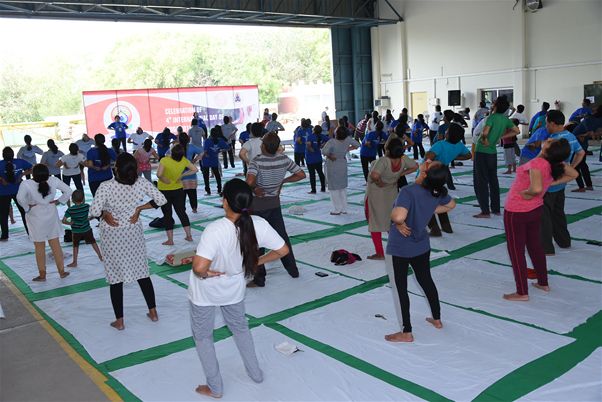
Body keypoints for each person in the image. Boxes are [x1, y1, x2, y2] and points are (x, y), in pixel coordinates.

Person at [189, 178, 289, 398]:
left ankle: (215, 387)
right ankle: (256, 374)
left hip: (205, 293)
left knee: (203, 337)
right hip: (234, 290)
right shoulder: (258, 224)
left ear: (224, 201)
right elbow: (283, 250)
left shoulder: (215, 229)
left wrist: (205, 273)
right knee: (240, 329)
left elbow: (199, 267)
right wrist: (256, 262)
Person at [89, 153, 167, 330]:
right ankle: (153, 312)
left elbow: (94, 211)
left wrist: (105, 213)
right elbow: (161, 200)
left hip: (112, 235)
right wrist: (139, 208)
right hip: (133, 233)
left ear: (116, 169)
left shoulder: (106, 186)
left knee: (115, 277)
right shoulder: (141, 183)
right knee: (142, 272)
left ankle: (120, 321)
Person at [385, 161, 456, 343]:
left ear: (425, 173)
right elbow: (451, 205)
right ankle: (437, 319)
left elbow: (398, 216)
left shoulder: (408, 191)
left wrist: (398, 222)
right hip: (421, 245)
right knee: (426, 280)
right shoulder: (437, 191)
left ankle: (407, 332)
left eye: (429, 163)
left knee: (401, 288)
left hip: (401, 246)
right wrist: (429, 210)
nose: (427, 161)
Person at [502, 138, 578, 302]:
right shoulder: (554, 163)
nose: (548, 139)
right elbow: (574, 174)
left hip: (517, 211)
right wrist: (549, 184)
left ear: (547, 150)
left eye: (550, 142)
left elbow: (536, 188)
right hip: (535, 209)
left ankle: (522, 292)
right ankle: (543, 282)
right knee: (535, 246)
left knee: (516, 251)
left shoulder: (537, 163)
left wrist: (528, 193)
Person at [246, 133, 305, 287]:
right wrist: (283, 181)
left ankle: (259, 279)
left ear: (264, 146)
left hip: (257, 206)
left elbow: (249, 182)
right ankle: (293, 270)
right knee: (282, 237)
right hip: (274, 204)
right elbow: (301, 174)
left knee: (256, 241)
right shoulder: (284, 159)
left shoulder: (256, 161)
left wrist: (255, 188)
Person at [540, 110, 585, 255]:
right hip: (562, 182)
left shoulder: (552, 141)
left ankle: (546, 248)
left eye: (547, 123)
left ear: (553, 123)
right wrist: (571, 167)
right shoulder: (570, 136)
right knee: (558, 213)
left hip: (549, 183)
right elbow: (581, 152)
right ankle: (564, 241)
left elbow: (542, 161)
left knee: (544, 216)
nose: (546, 126)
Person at [17, 164, 72, 281]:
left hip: (35, 216)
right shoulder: (53, 180)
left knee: (39, 246)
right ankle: (62, 271)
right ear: (47, 173)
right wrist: (59, 201)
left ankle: (42, 274)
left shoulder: (26, 184)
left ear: (33, 174)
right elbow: (68, 190)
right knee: (55, 244)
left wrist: (27, 207)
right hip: (51, 214)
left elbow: (20, 198)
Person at [364, 138, 418, 260]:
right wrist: (399, 175)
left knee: (375, 221)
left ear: (387, 150)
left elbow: (374, 175)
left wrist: (379, 182)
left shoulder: (383, 161)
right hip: (392, 192)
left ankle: (380, 253)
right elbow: (415, 166)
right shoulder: (403, 159)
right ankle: (398, 248)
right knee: (391, 220)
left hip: (376, 194)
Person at [473, 97, 520, 218]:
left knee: (481, 181)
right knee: (493, 180)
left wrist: (485, 140)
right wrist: (501, 137)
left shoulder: (491, 118)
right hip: (492, 153)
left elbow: (485, 133)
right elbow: (517, 131)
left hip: (482, 151)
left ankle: (485, 211)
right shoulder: (505, 119)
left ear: (496, 106)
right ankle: (496, 209)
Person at [424, 124, 472, 236]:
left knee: (425, 202)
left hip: (430, 174)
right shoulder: (459, 146)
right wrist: (453, 156)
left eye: (447, 131)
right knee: (438, 199)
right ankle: (446, 227)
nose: (445, 131)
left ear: (449, 134)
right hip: (442, 174)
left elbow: (428, 157)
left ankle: (434, 229)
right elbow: (468, 155)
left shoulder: (440, 144)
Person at [156, 144, 198, 245]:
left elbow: (159, 174)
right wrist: (182, 175)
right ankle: (189, 236)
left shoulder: (164, 160)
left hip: (164, 190)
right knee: (181, 212)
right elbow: (195, 169)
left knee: (167, 215)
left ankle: (170, 240)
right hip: (178, 189)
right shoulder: (183, 160)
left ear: (172, 152)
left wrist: (164, 179)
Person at [322, 127, 360, 215]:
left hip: (333, 164)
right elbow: (357, 145)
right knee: (342, 187)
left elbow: (324, 151)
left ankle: (337, 209)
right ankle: (344, 208)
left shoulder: (332, 142)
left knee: (334, 188)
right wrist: (347, 149)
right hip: (342, 163)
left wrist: (330, 155)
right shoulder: (347, 139)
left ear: (336, 133)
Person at [62, 189, 103, 267]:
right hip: (87, 229)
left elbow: (64, 221)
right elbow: (95, 213)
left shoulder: (70, 210)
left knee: (75, 246)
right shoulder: (86, 206)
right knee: (93, 242)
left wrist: (70, 223)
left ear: (72, 200)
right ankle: (100, 256)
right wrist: (90, 218)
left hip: (76, 231)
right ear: (83, 199)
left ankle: (75, 262)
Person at [0, 147, 32, 240]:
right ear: (13, 154)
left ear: (3, 155)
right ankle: (30, 232)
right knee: (24, 212)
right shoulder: (19, 162)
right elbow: (32, 168)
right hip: (13, 191)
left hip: (7, 192)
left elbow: (32, 168)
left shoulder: (17, 162)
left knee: (4, 214)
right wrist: (21, 175)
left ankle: (4, 235)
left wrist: (21, 174)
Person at [571, 107, 601, 191]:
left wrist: (582, 135)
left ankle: (581, 187)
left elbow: (590, 133)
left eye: (594, 109)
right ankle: (588, 185)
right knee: (582, 164)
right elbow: (595, 133)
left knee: (575, 165)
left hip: (577, 141)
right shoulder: (598, 120)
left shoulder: (589, 119)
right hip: (581, 142)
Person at [177, 133, 203, 213]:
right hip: (191, 172)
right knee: (192, 193)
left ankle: (182, 209)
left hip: (180, 174)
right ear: (188, 139)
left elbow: (167, 155)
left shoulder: (176, 147)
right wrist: (194, 160)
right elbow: (202, 151)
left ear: (179, 140)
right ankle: (194, 208)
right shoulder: (191, 147)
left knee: (181, 194)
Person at [201, 128, 230, 196]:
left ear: (210, 133)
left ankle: (208, 191)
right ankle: (219, 189)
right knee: (217, 175)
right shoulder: (220, 141)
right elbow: (228, 148)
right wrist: (220, 150)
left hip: (206, 160)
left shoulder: (207, 141)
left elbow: (205, 151)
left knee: (206, 176)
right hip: (214, 159)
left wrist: (203, 156)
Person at [305, 125, 329, 194]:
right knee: (320, 173)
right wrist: (322, 145)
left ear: (314, 130)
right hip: (318, 158)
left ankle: (313, 190)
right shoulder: (322, 136)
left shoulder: (310, 136)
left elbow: (308, 146)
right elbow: (330, 140)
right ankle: (323, 188)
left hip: (310, 158)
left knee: (312, 175)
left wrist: (312, 150)